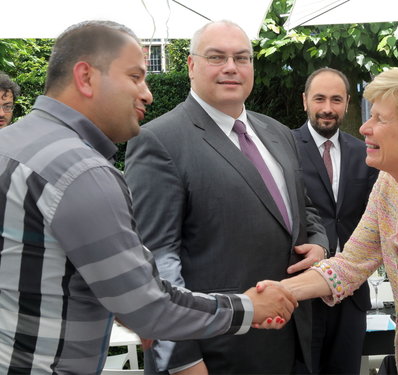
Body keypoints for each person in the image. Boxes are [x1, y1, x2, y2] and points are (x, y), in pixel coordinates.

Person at [0, 20, 298, 374]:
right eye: (135, 77)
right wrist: (248, 307)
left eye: (243, 57)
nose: (147, 93)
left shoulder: (11, 144)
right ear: (86, 77)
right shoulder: (81, 171)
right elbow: (146, 306)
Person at [124, 20, 329, 375]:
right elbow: (156, 262)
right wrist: (183, 360)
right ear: (191, 66)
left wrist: (320, 244)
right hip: (217, 355)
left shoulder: (278, 133)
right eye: (217, 57)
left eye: (242, 58)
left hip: (292, 344)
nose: (231, 67)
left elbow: (303, 209)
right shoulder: (159, 141)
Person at [259, 65, 398, 375]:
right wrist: (282, 291)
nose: (364, 127)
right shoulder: (389, 187)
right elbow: (350, 265)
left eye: (380, 119)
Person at [292, 67, 378, 374]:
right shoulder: (284, 150)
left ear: (347, 103)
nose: (327, 108)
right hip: (303, 296)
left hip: (352, 297)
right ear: (305, 101)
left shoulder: (365, 153)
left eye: (336, 99)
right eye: (319, 98)